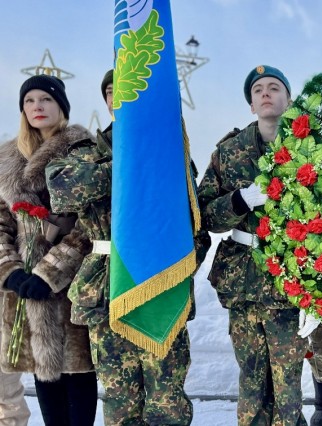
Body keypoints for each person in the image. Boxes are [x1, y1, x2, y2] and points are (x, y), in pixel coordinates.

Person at [45, 69, 209, 425]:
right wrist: (133, 165)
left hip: (162, 284)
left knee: (167, 400)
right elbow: (61, 189)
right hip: (106, 289)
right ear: (107, 100)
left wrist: (180, 266)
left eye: (131, 89)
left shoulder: (171, 156)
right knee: (120, 400)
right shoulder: (86, 152)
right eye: (112, 91)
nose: (120, 96)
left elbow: (196, 222)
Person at [197, 65, 308, 426]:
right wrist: (240, 200)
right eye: (258, 89)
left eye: (274, 87)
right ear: (250, 104)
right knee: (252, 373)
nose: (265, 93)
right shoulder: (229, 152)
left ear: (288, 100)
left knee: (288, 377)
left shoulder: (309, 148)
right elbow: (203, 214)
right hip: (243, 277)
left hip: (291, 275)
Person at [0, 74, 97, 425]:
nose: (37, 107)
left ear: (61, 107)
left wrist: (49, 272)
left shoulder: (83, 151)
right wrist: (9, 271)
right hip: (25, 291)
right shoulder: (8, 159)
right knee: (45, 376)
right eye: (30, 101)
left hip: (73, 287)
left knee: (77, 377)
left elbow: (91, 224)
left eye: (46, 100)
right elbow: (0, 226)